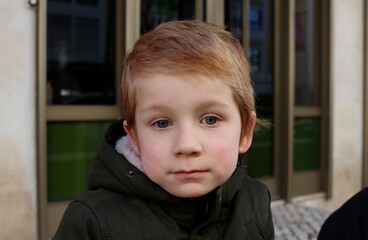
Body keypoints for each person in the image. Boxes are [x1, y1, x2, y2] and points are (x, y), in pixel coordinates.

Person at [53, 20, 274, 240]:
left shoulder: (255, 200)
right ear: (135, 138)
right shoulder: (90, 222)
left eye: (210, 119)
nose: (187, 145)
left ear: (245, 132)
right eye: (162, 123)